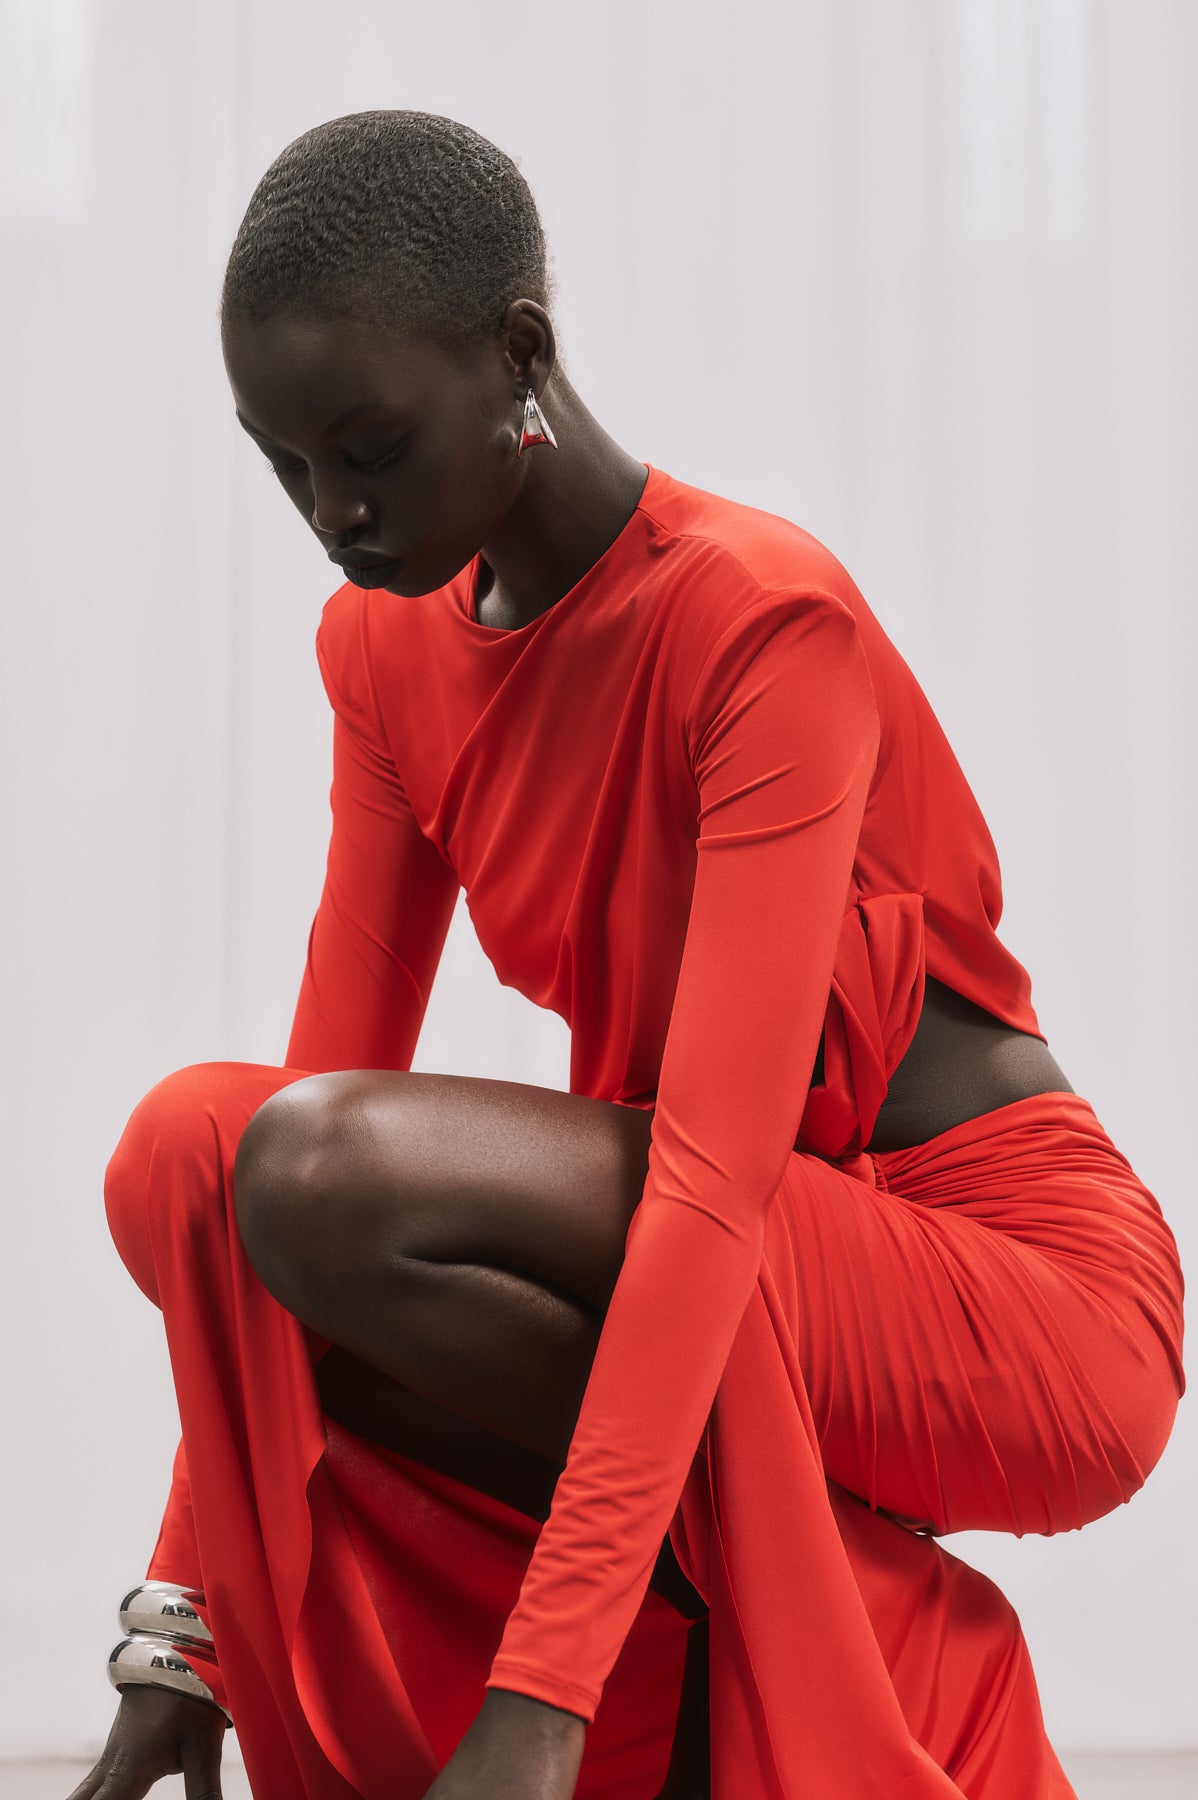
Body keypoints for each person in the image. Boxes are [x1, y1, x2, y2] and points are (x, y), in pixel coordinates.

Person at [74, 111, 1184, 1800]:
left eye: (371, 447)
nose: (332, 510)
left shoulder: (759, 620)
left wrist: (544, 1692)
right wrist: (191, 1632)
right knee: (196, 1158)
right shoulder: (380, 648)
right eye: (285, 464)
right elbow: (290, 1142)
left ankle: (873, 1642)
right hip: (719, 1257)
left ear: (518, 354)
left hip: (1007, 1297)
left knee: (306, 1169)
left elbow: (712, 1185)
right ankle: (826, 1604)